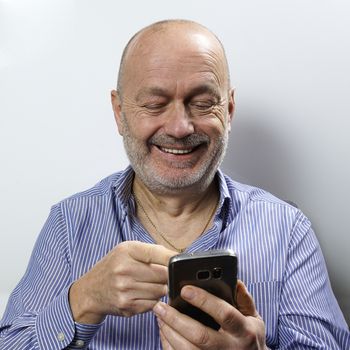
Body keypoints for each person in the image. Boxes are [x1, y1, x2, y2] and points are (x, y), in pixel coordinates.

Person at [0, 19, 349, 350]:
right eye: (155, 104)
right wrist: (82, 301)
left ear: (228, 110)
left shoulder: (286, 230)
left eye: (202, 103)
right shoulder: (69, 224)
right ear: (119, 113)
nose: (180, 127)